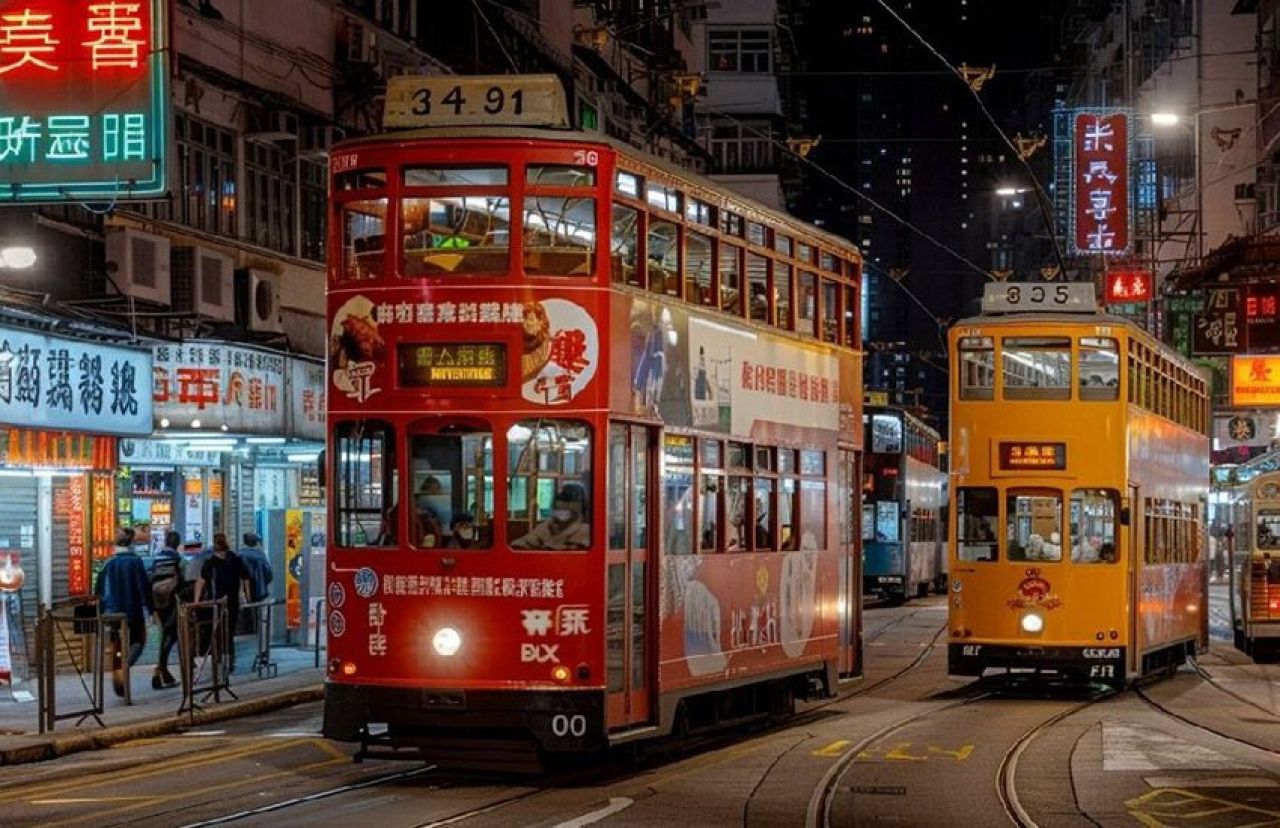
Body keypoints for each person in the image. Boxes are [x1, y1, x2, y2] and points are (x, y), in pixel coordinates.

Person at [94, 527, 156, 696]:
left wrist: (101, 611)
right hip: (131, 611)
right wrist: (150, 610)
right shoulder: (135, 561)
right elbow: (143, 587)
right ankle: (124, 667)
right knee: (138, 641)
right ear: (131, 543)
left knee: (116, 644)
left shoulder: (108, 563)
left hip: (111, 611)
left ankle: (118, 680)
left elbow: (98, 590)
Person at [195, 533, 250, 672]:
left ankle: (219, 659)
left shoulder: (210, 563)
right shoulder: (235, 559)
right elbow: (246, 578)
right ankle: (229, 660)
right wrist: (247, 596)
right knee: (229, 632)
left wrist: (196, 600)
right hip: (232, 601)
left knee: (217, 631)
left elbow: (201, 581)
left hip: (216, 602)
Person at [148, 531, 186, 689]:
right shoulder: (178, 559)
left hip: (157, 602)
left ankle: (162, 672)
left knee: (165, 635)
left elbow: (150, 576)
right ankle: (160, 671)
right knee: (171, 635)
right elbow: (184, 579)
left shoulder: (157, 558)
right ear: (177, 544)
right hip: (172, 600)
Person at [512, 485, 591, 550]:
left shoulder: (585, 530)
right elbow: (521, 543)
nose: (562, 511)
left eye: (568, 505)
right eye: (558, 509)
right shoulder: (546, 526)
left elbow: (571, 554)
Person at [237, 533, 274, 604]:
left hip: (242, 596)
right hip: (259, 594)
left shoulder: (238, 555)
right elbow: (269, 575)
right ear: (256, 543)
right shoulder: (261, 556)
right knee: (257, 613)